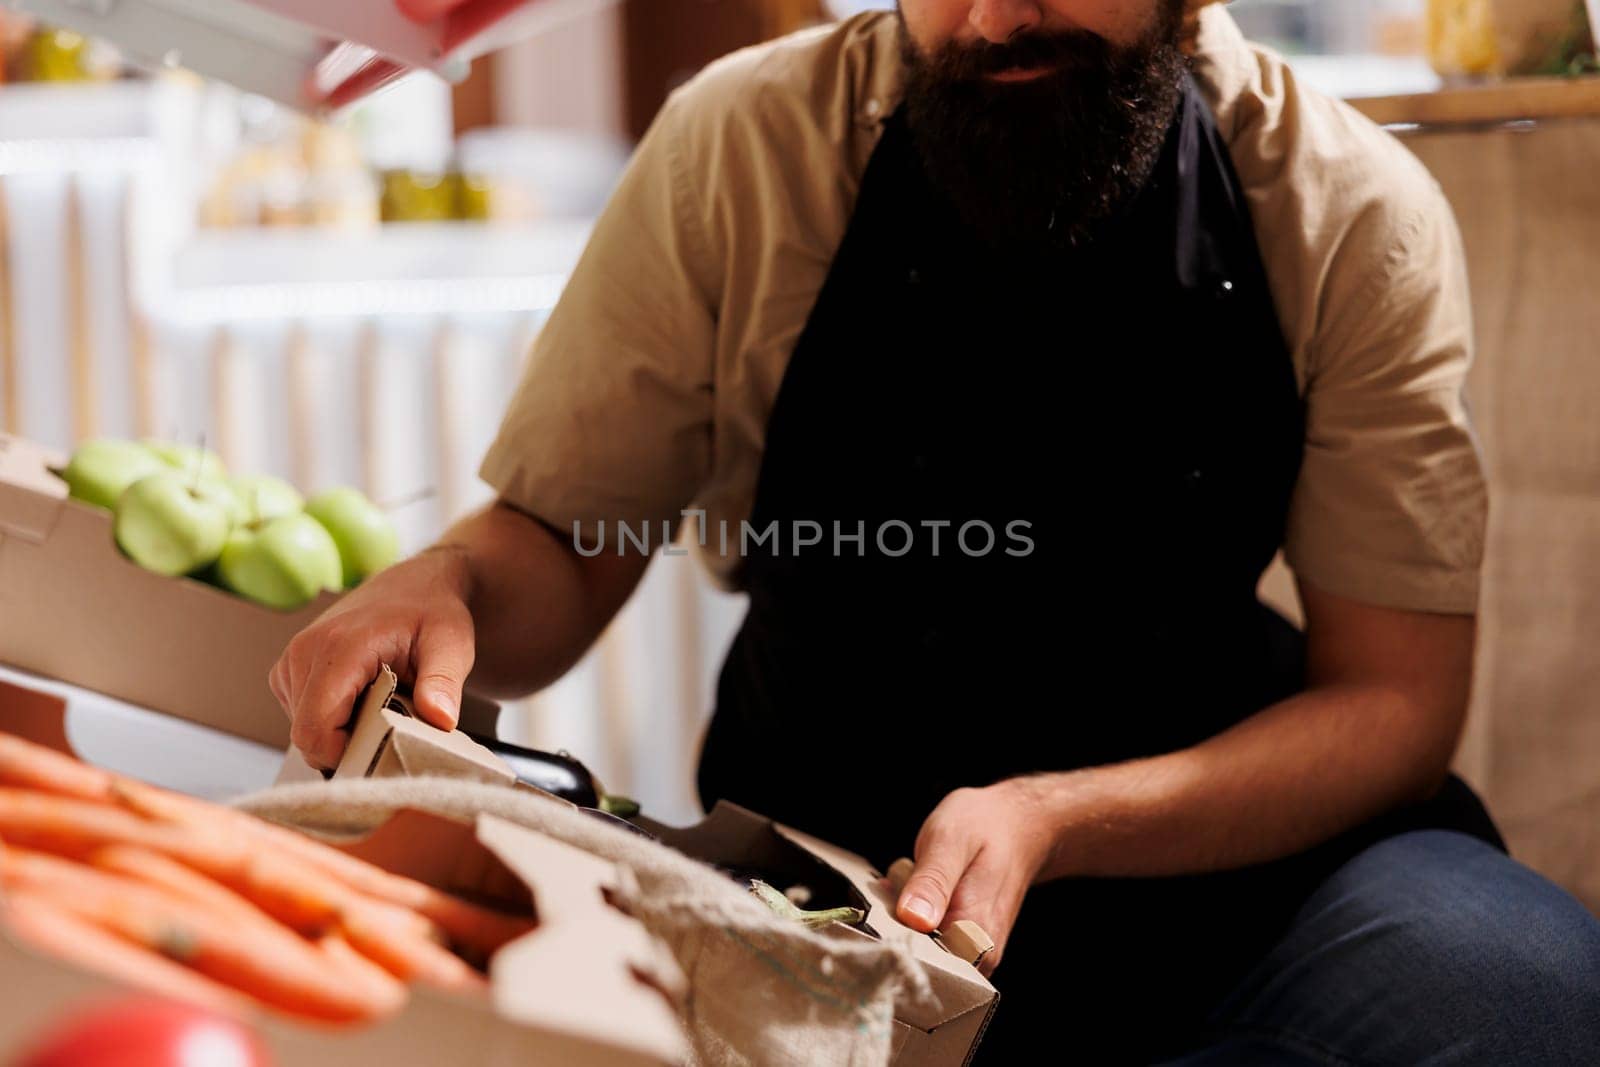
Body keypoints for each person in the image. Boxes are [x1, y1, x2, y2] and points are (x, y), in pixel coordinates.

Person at [271, 1, 1600, 1060]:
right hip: (848, 878)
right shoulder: (743, 144)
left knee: (1517, 989)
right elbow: (559, 546)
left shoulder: (1348, 206)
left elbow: (1397, 698)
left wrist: (1057, 820)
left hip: (1233, 865)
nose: (990, 19)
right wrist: (451, 588)